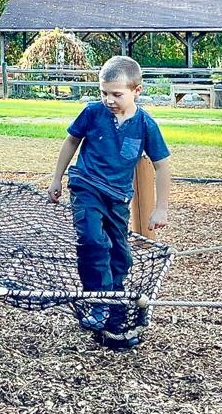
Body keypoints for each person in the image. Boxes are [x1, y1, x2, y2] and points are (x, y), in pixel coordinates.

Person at [48, 55, 171, 347]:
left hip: (118, 197)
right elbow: (71, 142)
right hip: (86, 185)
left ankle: (114, 302)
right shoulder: (92, 113)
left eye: (117, 94)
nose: (109, 100)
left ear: (136, 91)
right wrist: (57, 178)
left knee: (119, 254)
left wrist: (160, 207)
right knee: (92, 241)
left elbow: (162, 164)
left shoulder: (145, 125)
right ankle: (98, 300)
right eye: (104, 93)